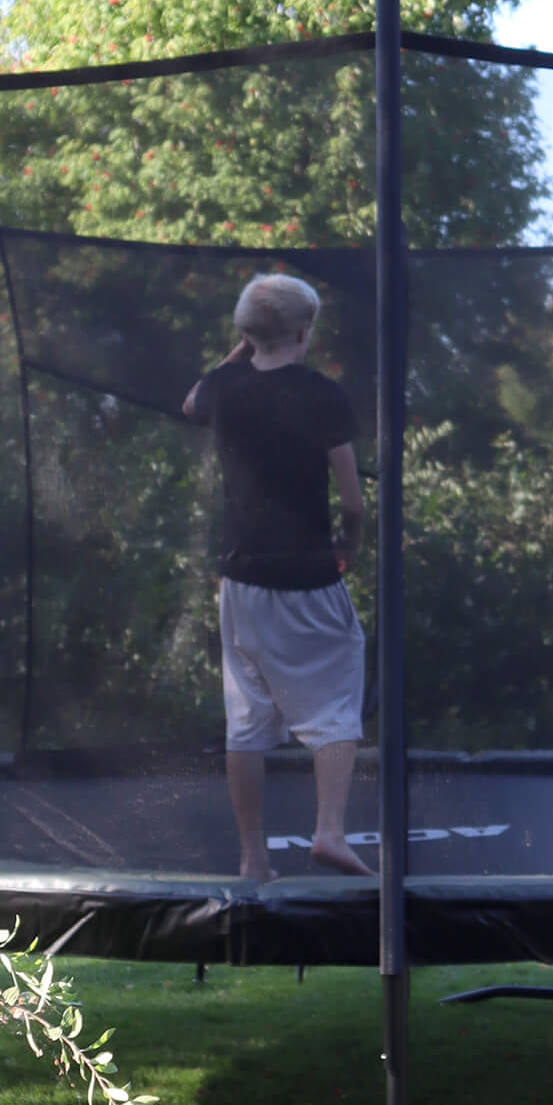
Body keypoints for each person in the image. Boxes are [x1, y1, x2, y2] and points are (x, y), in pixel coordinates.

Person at [182, 273, 373, 883]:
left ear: (245, 333)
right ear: (303, 330)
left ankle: (253, 858)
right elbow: (352, 500)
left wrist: (240, 351)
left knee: (247, 716)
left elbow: (192, 402)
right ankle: (329, 832)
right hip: (306, 575)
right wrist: (352, 542)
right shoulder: (322, 395)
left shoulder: (227, 389)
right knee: (337, 693)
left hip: (240, 577)